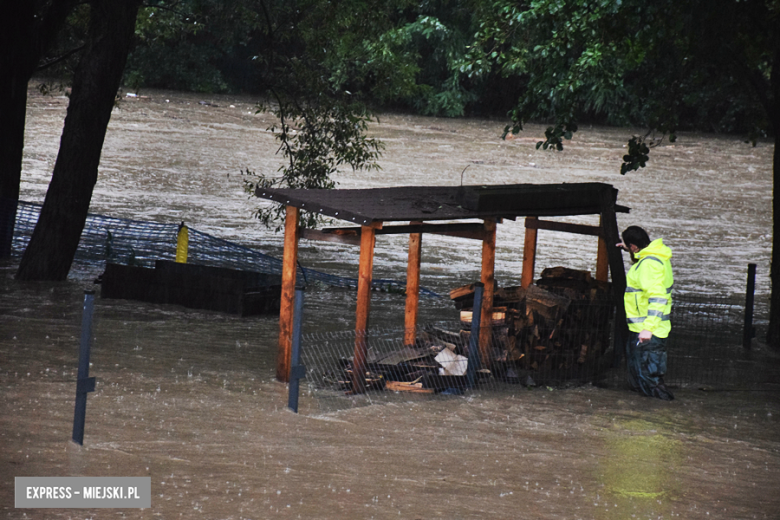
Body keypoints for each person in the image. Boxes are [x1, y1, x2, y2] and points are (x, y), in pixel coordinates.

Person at [617, 226, 675, 401]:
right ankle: (645, 418)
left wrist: (648, 329)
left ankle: (661, 416)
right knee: (640, 377)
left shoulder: (648, 265)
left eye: (630, 247)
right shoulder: (654, 258)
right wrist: (629, 249)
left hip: (649, 332)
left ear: (634, 246)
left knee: (651, 381)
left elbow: (657, 297)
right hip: (644, 329)